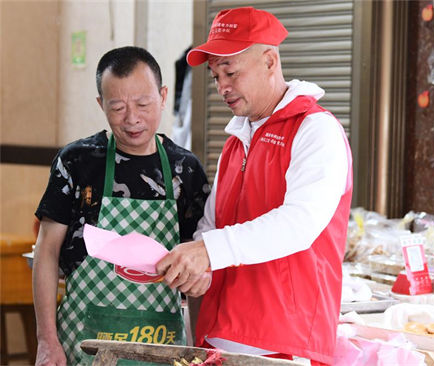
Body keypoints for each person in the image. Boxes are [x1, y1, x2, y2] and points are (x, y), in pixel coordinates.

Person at [156, 7, 353, 366]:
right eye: (216, 76)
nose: (222, 87)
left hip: (282, 341)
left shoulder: (315, 130)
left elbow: (299, 223)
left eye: (230, 72)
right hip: (221, 332)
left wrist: (209, 251)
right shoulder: (235, 141)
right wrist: (202, 266)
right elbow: (211, 224)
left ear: (269, 60)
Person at [33, 46, 210, 366]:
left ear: (163, 95)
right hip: (84, 343)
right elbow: (47, 251)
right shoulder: (78, 161)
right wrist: (46, 340)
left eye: (143, 104)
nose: (132, 118)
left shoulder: (186, 169)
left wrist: (199, 349)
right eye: (117, 107)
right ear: (101, 104)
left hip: (162, 345)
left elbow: (199, 267)